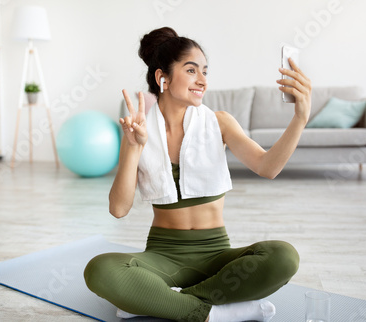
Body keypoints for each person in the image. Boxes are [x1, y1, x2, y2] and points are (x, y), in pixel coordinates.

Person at [84, 27, 311, 322]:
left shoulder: (220, 122)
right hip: (162, 258)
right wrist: (133, 147)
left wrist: (300, 118)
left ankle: (161, 301)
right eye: (191, 70)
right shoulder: (139, 131)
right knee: (99, 270)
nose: (202, 80)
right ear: (162, 78)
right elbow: (118, 209)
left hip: (217, 256)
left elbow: (268, 167)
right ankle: (213, 313)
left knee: (283, 256)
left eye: (205, 71)